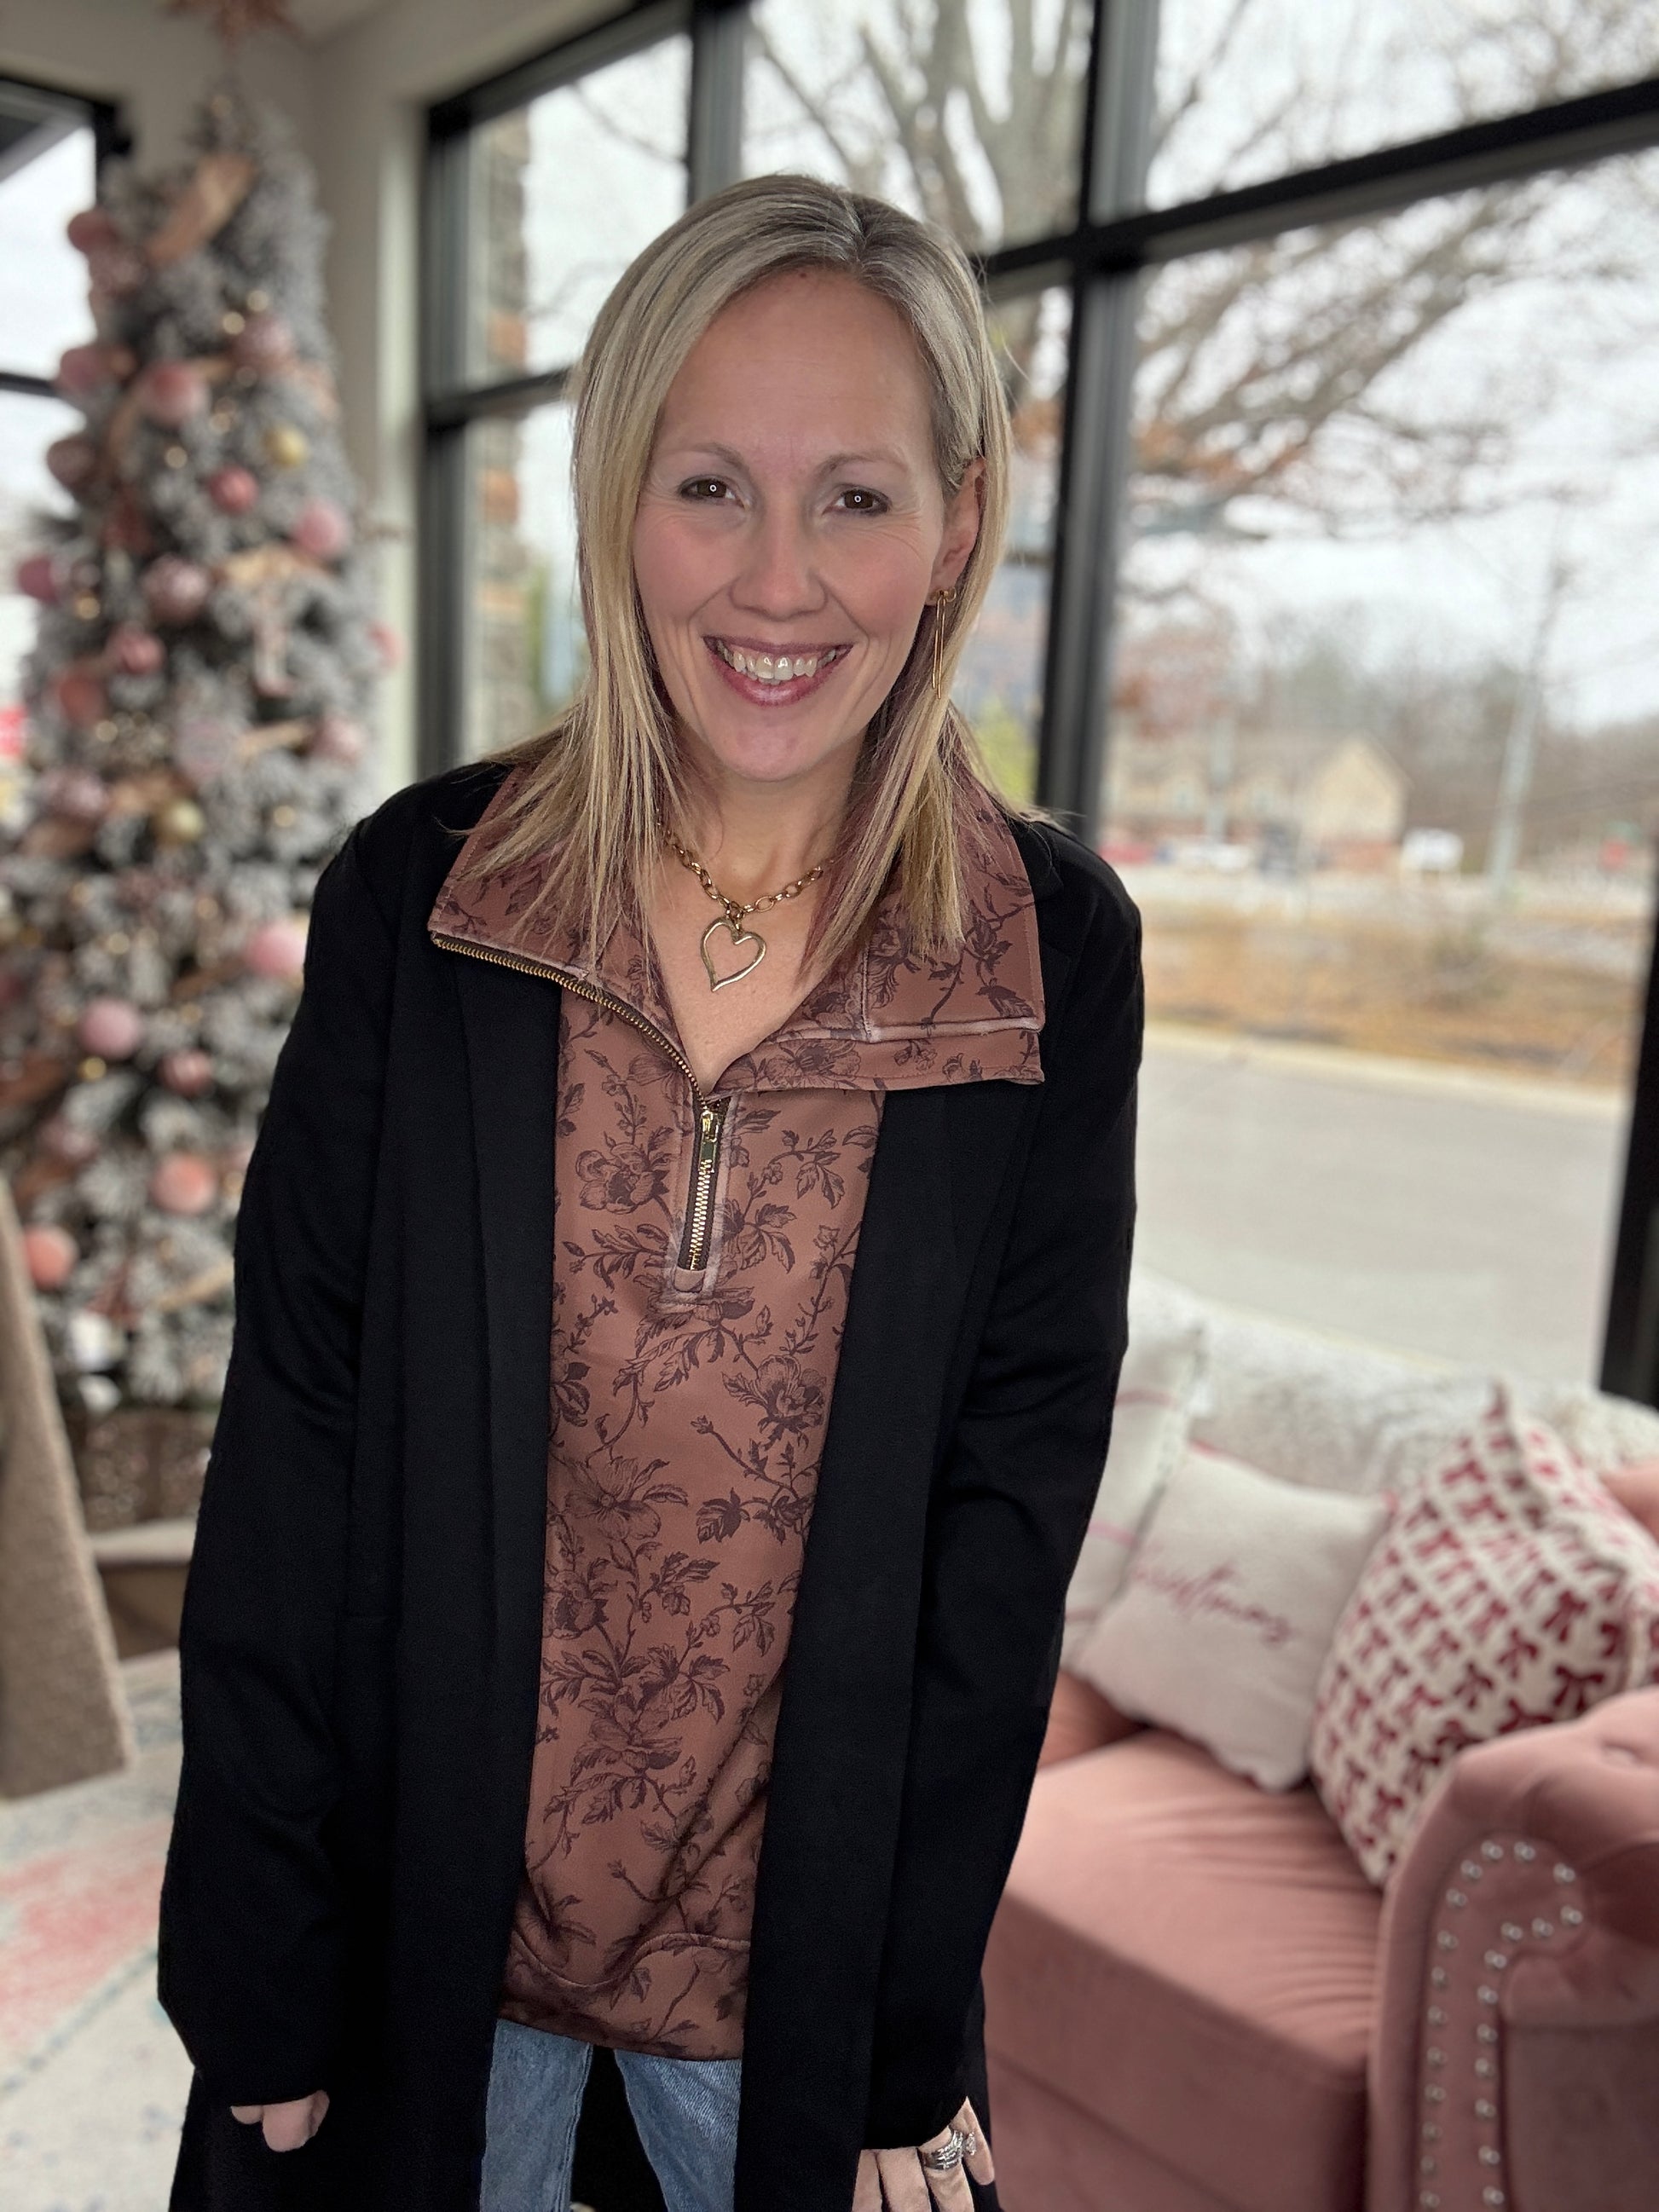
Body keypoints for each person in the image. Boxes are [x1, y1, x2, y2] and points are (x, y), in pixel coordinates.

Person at [158, 170, 1143, 2212]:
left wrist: (904, 2029)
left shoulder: (1049, 952)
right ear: (618, 504)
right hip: (419, 1948)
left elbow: (1003, 1527)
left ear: (957, 523)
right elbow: (294, 1447)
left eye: (855, 497)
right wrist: (254, 1954)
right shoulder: (423, 897)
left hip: (792, 1985)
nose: (777, 581)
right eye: (710, 487)